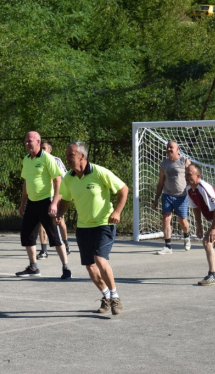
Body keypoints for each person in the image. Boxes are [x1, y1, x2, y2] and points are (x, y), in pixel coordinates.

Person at [56, 142, 128, 315]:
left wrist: (117, 211)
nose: (67, 158)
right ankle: (106, 296)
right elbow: (65, 199)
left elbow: (123, 189)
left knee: (100, 260)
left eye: (70, 155)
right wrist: (60, 213)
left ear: (82, 156)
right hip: (83, 227)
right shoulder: (68, 178)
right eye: (66, 155)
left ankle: (115, 297)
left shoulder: (99, 172)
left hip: (104, 223)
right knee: (90, 266)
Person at [16, 131, 71, 279]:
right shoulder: (26, 159)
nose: (27, 143)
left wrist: (54, 203)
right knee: (27, 235)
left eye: (30, 141)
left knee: (54, 236)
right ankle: (33, 267)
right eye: (26, 141)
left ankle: (66, 268)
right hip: (32, 204)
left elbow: (58, 180)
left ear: (38, 142)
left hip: (46, 201)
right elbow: (26, 182)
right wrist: (22, 203)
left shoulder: (47, 158)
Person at [153, 140, 192, 255]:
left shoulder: (184, 161)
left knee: (182, 221)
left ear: (177, 149)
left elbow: (191, 177)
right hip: (167, 195)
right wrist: (156, 198)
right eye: (168, 147)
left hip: (182, 196)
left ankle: (186, 235)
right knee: (166, 218)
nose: (169, 149)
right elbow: (160, 182)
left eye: (171, 147)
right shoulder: (163, 164)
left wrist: (194, 193)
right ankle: (168, 246)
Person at [37, 140, 70, 259]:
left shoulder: (56, 161)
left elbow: (64, 178)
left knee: (60, 221)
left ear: (50, 150)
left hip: (56, 195)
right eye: (41, 148)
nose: (42, 150)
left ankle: (65, 244)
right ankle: (44, 250)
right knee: (41, 223)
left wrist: (59, 196)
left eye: (44, 148)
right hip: (44, 196)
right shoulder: (38, 160)